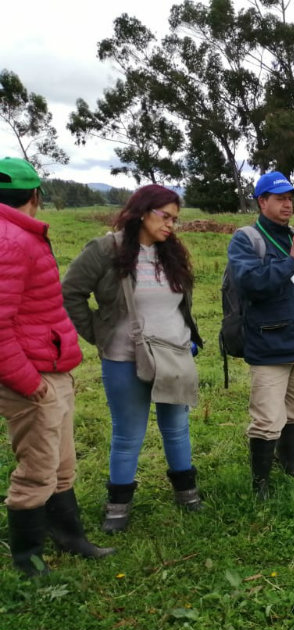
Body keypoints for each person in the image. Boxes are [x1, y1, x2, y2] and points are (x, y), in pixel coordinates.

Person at [63, 185, 204, 533]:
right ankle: (118, 506)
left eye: (175, 219)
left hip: (173, 354)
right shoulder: (105, 249)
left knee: (176, 426)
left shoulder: (171, 253)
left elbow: (179, 304)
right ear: (143, 212)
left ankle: (187, 494)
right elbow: (71, 293)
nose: (171, 225)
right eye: (165, 216)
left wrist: (189, 338)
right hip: (125, 358)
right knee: (128, 434)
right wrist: (100, 333)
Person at [0, 157, 113, 575]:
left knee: (62, 462)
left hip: (49, 367)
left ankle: (70, 537)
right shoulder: (10, 241)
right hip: (30, 374)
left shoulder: (22, 235)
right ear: (35, 196)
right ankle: (27, 561)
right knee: (38, 469)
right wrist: (29, 383)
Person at [226, 171, 294, 500]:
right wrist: (291, 260)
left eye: (290, 198)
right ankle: (260, 483)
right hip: (269, 344)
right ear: (262, 202)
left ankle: (289, 465)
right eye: (280, 198)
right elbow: (252, 283)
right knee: (266, 419)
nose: (287, 204)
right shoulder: (247, 239)